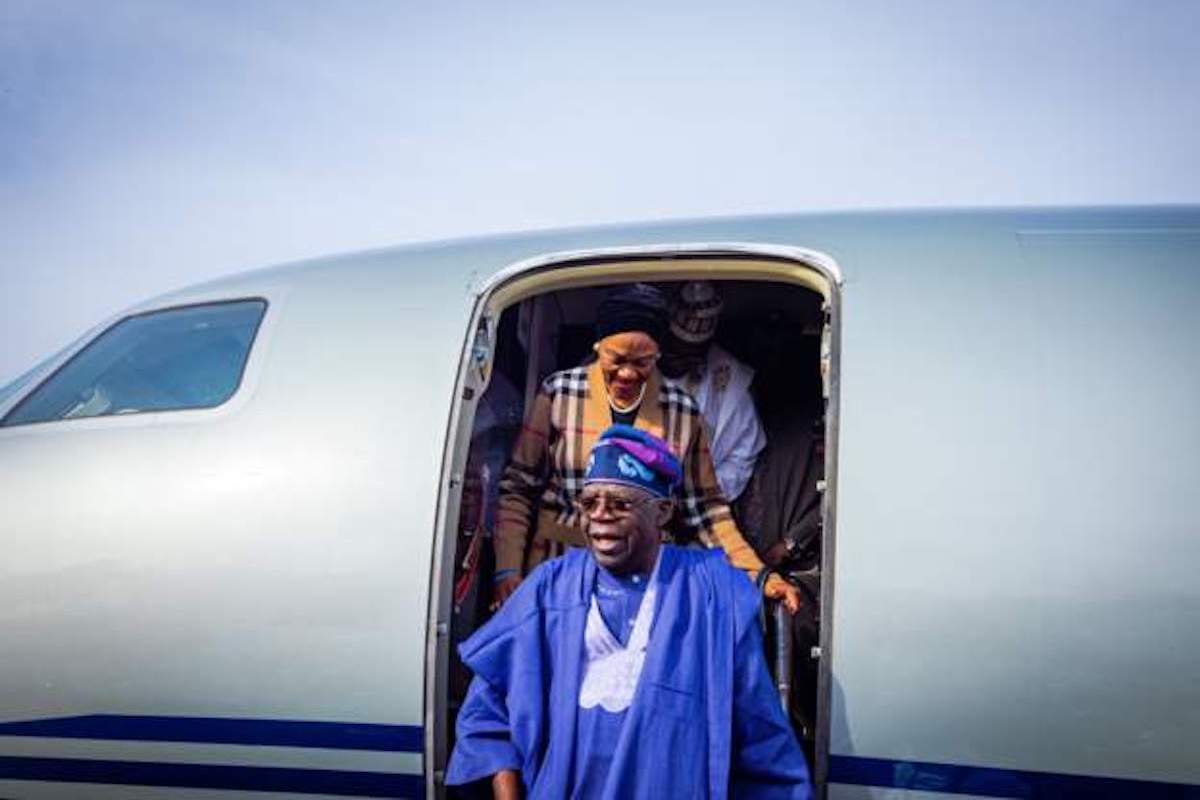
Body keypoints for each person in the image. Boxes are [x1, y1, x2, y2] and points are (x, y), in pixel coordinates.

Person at [448, 426, 813, 798]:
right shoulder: (549, 589)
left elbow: (762, 747)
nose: (600, 516)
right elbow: (487, 713)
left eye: (620, 504)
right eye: (589, 503)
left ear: (662, 512)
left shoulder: (711, 597)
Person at [492, 284, 801, 613]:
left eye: (642, 362)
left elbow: (708, 511)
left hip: (648, 586)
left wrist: (758, 574)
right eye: (616, 359)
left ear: (657, 355)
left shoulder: (681, 410)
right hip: (560, 575)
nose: (627, 373)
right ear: (598, 347)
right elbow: (518, 489)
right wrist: (507, 570)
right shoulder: (559, 395)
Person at [660, 280, 766, 502]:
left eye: (691, 355)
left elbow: (742, 457)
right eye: (674, 352)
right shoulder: (630, 369)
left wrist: (701, 496)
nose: (680, 361)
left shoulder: (730, 379)